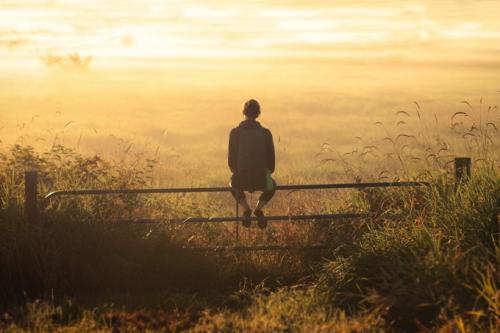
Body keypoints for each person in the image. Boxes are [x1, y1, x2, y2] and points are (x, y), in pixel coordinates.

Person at [228, 99, 276, 229]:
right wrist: (266, 173)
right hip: (261, 177)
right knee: (272, 185)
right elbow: (272, 163)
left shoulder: (235, 132)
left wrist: (237, 172)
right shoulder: (266, 133)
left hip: (241, 178)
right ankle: (258, 209)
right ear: (258, 114)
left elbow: (231, 161)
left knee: (232, 184)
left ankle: (246, 209)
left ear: (243, 112)